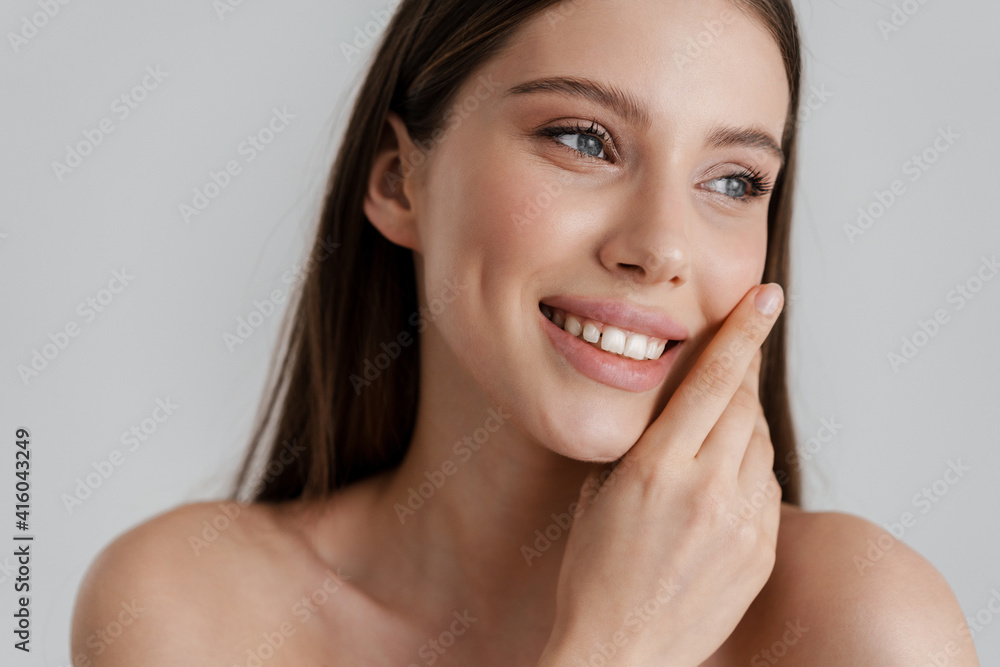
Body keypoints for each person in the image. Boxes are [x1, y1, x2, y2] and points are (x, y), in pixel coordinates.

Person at [71, 0, 979, 664]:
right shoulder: (185, 612)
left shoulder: (863, 628)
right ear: (397, 180)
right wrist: (615, 649)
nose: (659, 247)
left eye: (734, 181)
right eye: (584, 139)